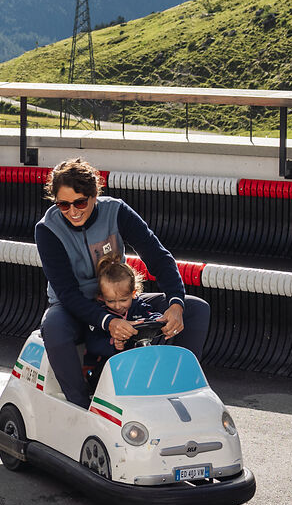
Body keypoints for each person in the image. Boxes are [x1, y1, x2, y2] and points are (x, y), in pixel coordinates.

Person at [33, 157, 211, 407]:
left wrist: (175, 303)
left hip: (119, 302)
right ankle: (81, 406)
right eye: (63, 205)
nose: (73, 212)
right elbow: (67, 293)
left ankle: (177, 390)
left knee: (197, 309)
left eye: (80, 202)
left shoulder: (117, 211)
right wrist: (108, 321)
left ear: (95, 195)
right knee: (53, 327)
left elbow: (158, 257)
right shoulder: (47, 230)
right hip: (74, 308)